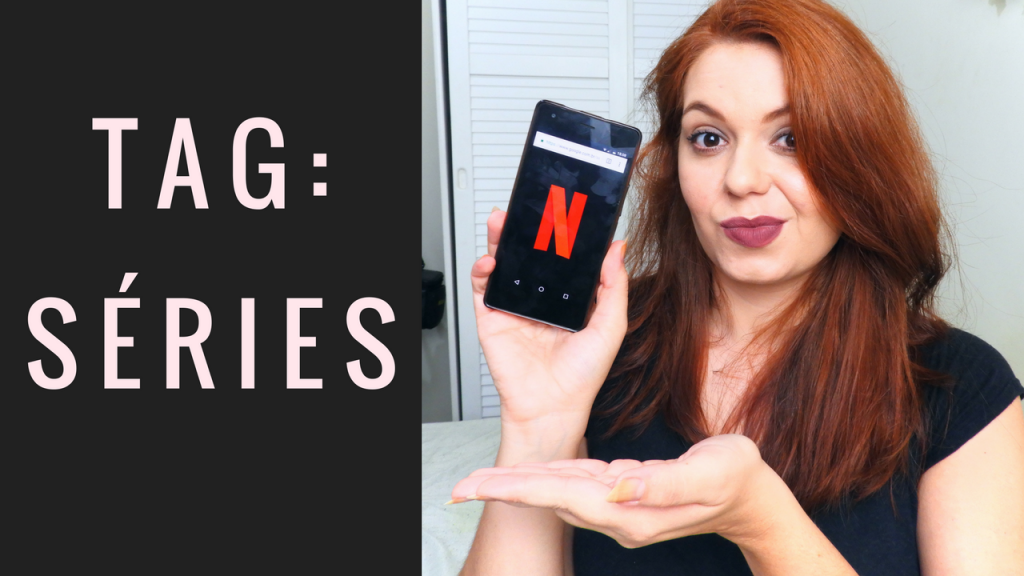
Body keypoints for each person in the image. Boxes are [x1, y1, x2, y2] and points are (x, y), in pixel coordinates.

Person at [448, 0, 1024, 574]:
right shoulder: (598, 337)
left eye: (791, 138)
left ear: (860, 159)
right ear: (673, 162)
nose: (742, 180)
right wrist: (540, 425)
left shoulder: (963, 387)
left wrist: (760, 519)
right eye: (708, 138)